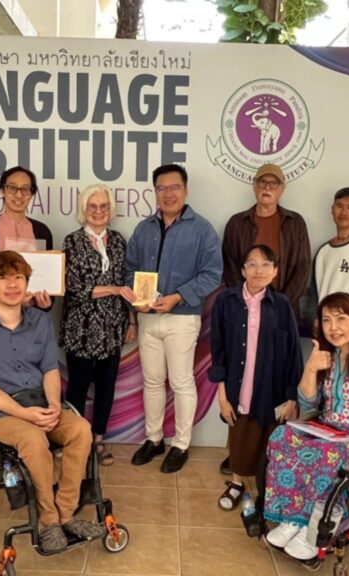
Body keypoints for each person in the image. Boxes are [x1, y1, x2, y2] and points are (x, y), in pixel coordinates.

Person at [0, 251, 106, 552]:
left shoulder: (40, 321)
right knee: (33, 439)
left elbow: (50, 369)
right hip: (0, 411)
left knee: (81, 430)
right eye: (3, 278)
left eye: (19, 277)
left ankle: (66, 513)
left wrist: (53, 405)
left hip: (42, 403)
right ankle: (48, 520)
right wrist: (24, 414)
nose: (13, 285)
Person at [264, 293, 349, 561]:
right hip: (329, 431)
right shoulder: (329, 356)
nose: (333, 327)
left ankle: (315, 528)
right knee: (282, 436)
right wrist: (310, 368)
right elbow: (308, 404)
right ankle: (293, 518)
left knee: (322, 454)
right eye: (326, 320)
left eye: (340, 319)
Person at [125, 164, 223, 473]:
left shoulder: (202, 229)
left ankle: (181, 444)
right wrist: (137, 299)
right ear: (155, 192)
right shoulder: (143, 229)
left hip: (182, 318)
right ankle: (154, 439)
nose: (168, 194)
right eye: (162, 188)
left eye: (174, 187)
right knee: (152, 381)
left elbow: (212, 274)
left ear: (186, 190)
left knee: (181, 382)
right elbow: (129, 269)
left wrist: (178, 296)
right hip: (148, 318)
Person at [209, 245, 302, 512]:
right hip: (238, 385)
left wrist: (291, 398)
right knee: (240, 434)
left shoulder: (282, 305)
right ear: (243, 270)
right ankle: (237, 483)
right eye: (252, 264)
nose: (258, 270)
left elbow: (293, 352)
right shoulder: (226, 301)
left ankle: (267, 491)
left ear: (275, 271)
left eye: (265, 265)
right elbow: (218, 350)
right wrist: (222, 396)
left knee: (268, 439)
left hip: (271, 387)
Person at [60, 184, 137, 466]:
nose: (98, 211)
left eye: (103, 206)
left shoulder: (118, 242)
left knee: (106, 387)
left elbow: (127, 284)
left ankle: (99, 440)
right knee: (78, 389)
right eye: (92, 206)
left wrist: (132, 320)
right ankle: (76, 443)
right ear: (84, 209)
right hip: (80, 329)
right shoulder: (72, 241)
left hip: (112, 328)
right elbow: (74, 288)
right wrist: (113, 289)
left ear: (110, 210)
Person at [221, 164, 311, 317]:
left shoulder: (295, 223)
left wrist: (281, 303)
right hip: (244, 309)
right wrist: (248, 301)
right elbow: (230, 269)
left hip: (284, 309)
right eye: (262, 182)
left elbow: (302, 268)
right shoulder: (236, 223)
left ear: (282, 189)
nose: (267, 187)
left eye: (274, 183)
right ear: (254, 186)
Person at [0, 166, 53, 314]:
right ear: (2, 191)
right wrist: (7, 300)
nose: (19, 195)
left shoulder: (42, 231)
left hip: (31, 316)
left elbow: (49, 274)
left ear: (32, 194)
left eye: (25, 189)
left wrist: (45, 301)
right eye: (12, 188)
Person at [303, 187, 349, 328]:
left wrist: (337, 319)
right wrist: (315, 318)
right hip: (325, 328)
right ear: (332, 210)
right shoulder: (323, 250)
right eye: (339, 206)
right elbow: (313, 292)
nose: (343, 212)